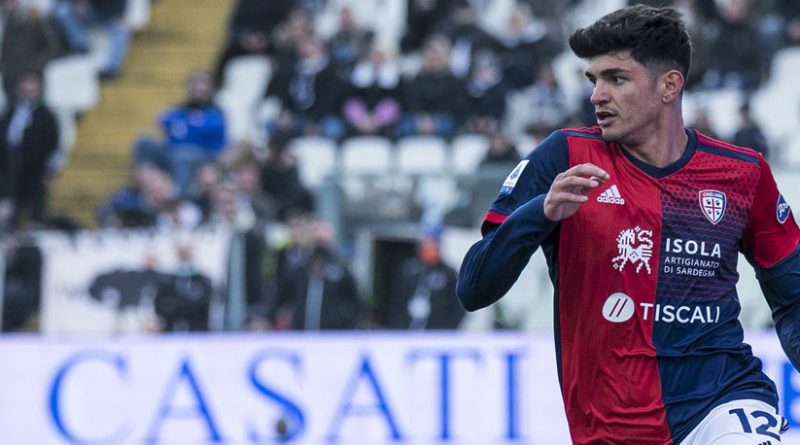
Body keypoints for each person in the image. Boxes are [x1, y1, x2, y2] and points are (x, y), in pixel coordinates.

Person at [456, 5, 800, 445]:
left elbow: (792, 300)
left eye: (616, 79)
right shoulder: (563, 158)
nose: (597, 95)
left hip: (723, 403)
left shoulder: (742, 173)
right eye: (593, 80)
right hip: (611, 428)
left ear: (669, 86)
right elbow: (472, 287)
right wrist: (539, 213)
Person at [0, 72, 60, 232]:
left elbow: (53, 145)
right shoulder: (9, 112)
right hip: (10, 171)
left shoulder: (46, 116)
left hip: (36, 170)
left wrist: (50, 172)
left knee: (35, 212)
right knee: (9, 211)